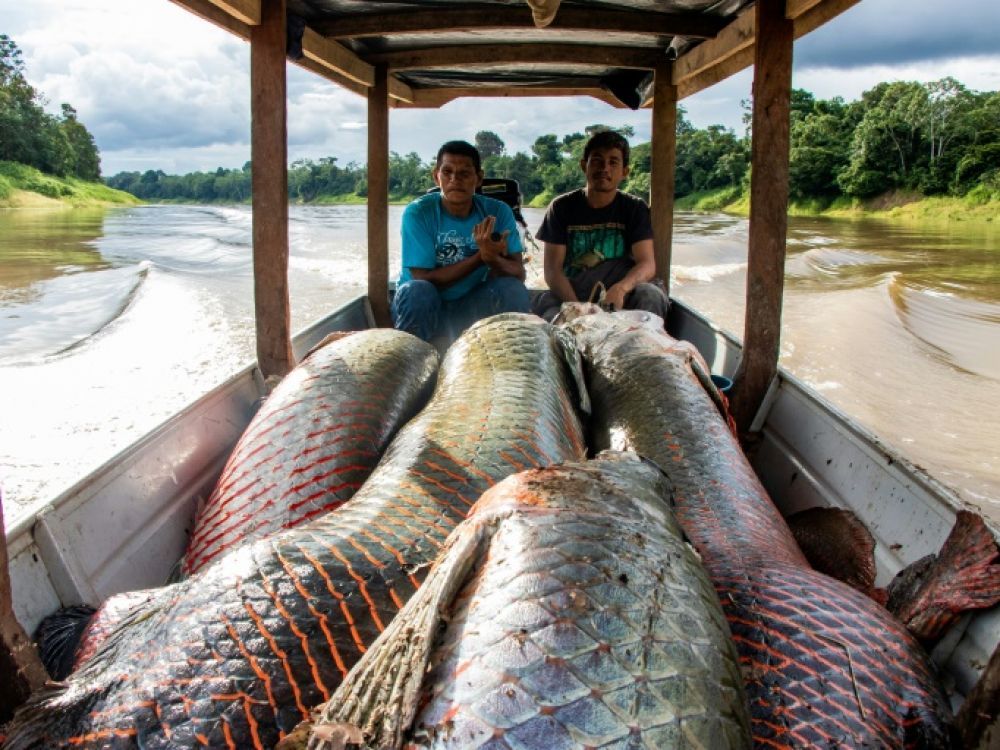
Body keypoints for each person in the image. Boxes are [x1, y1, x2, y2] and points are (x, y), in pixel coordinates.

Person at [391, 140, 529, 343]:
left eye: (464, 174)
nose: (455, 180)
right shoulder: (419, 213)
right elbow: (422, 278)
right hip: (422, 306)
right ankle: (411, 361)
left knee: (511, 288)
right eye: (447, 172)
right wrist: (480, 258)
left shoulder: (498, 212)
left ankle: (512, 361)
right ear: (436, 177)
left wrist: (494, 260)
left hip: (470, 303)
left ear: (478, 178)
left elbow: (519, 274)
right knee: (417, 291)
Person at [532, 130, 670, 322]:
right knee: (548, 314)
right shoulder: (561, 207)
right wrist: (578, 308)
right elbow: (553, 271)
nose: (605, 168)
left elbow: (647, 263)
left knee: (650, 294)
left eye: (613, 162)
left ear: (625, 172)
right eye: (597, 160)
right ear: (584, 166)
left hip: (620, 292)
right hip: (572, 292)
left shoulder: (634, 208)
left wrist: (620, 289)